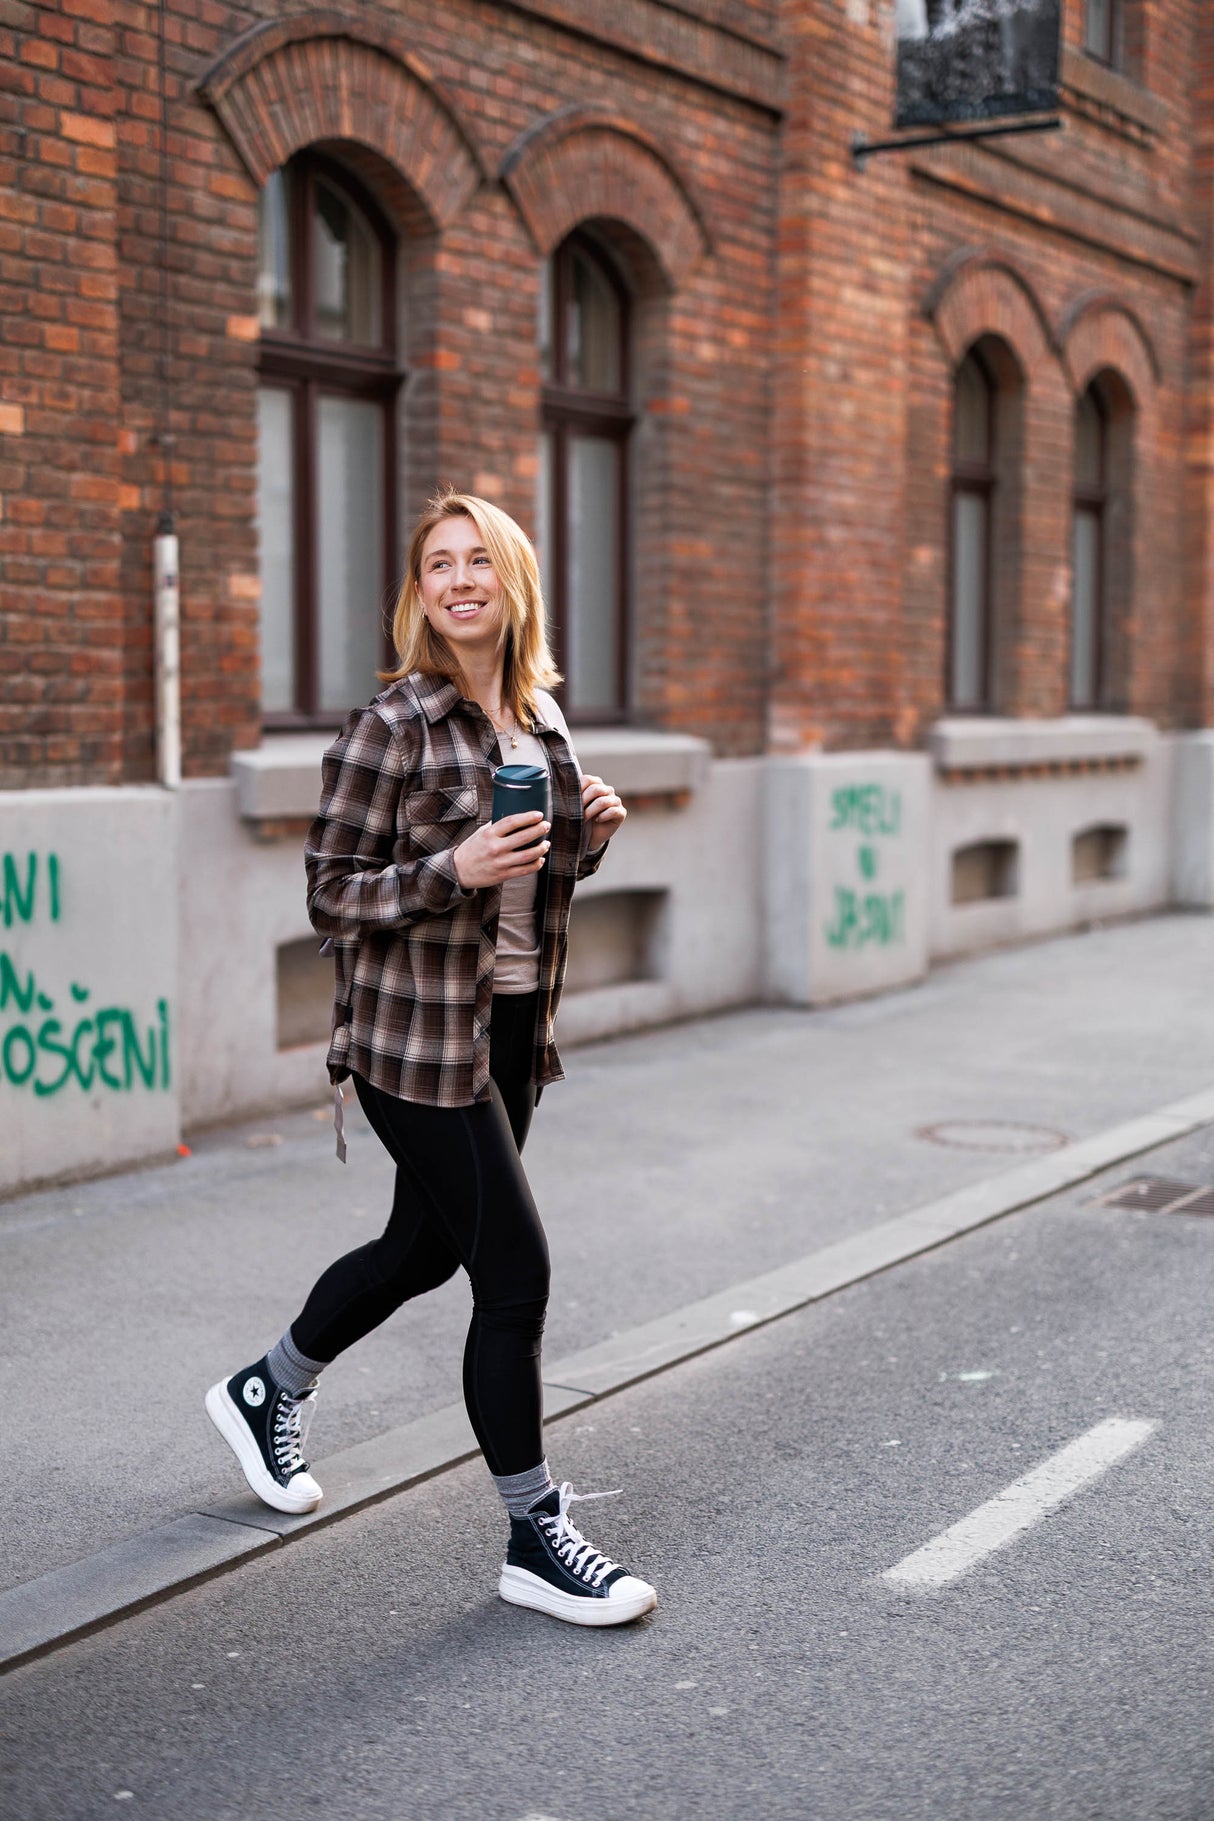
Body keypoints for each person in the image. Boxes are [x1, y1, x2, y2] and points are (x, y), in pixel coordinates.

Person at [206, 489, 656, 1628]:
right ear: (420, 595)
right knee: (515, 1277)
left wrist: (585, 841)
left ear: (513, 584)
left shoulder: (542, 720)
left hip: (505, 1031)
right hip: (408, 1043)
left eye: (478, 562)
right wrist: (447, 870)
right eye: (437, 566)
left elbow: (532, 886)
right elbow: (329, 894)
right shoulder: (390, 726)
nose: (458, 581)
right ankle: (532, 1533)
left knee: (422, 1249)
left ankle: (269, 1387)